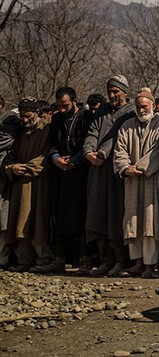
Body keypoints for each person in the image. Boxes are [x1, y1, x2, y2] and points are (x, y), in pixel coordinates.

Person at [35, 87, 93, 274]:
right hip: (61, 171)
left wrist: (75, 161)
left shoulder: (86, 117)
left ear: (74, 102)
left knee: (82, 215)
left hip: (81, 171)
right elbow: (51, 144)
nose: (61, 109)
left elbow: (88, 142)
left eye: (65, 105)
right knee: (60, 215)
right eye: (59, 106)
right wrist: (56, 159)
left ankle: (85, 259)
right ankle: (59, 258)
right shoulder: (57, 119)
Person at [83, 75, 136, 276]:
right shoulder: (103, 110)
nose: (112, 95)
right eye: (110, 92)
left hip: (117, 170)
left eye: (116, 91)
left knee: (116, 216)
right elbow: (93, 132)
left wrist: (103, 153)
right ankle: (105, 259)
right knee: (98, 215)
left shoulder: (131, 112)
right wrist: (89, 152)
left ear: (125, 91)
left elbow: (117, 137)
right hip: (97, 170)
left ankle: (121, 260)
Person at [113, 88, 159, 278]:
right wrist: (126, 168)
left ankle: (151, 264)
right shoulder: (127, 125)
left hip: (152, 178)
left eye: (144, 106)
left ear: (152, 105)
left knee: (150, 222)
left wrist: (142, 167)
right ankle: (138, 262)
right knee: (133, 220)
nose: (141, 110)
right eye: (138, 107)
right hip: (132, 180)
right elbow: (119, 150)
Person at [3, 98, 51, 272]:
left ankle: (43, 260)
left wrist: (28, 168)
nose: (24, 120)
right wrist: (12, 168)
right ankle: (24, 260)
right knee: (20, 221)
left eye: (27, 116)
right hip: (19, 183)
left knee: (38, 221)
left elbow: (48, 155)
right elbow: (8, 157)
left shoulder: (47, 130)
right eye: (22, 116)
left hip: (40, 183)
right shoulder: (19, 133)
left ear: (37, 114)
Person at [0, 96, 21, 270]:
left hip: (5, 175)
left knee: (4, 219)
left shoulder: (9, 119)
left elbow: (6, 140)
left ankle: (4, 257)